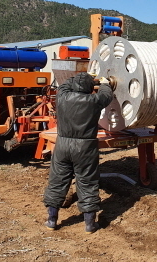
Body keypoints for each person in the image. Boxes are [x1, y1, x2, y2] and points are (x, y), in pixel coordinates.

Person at [42, 72, 113, 233]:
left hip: (62, 145)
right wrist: (104, 83)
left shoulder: (62, 97)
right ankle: (89, 224)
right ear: (89, 88)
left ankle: (52, 220)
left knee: (57, 181)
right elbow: (106, 95)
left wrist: (79, 77)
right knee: (87, 182)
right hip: (85, 147)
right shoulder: (94, 101)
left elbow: (64, 85)